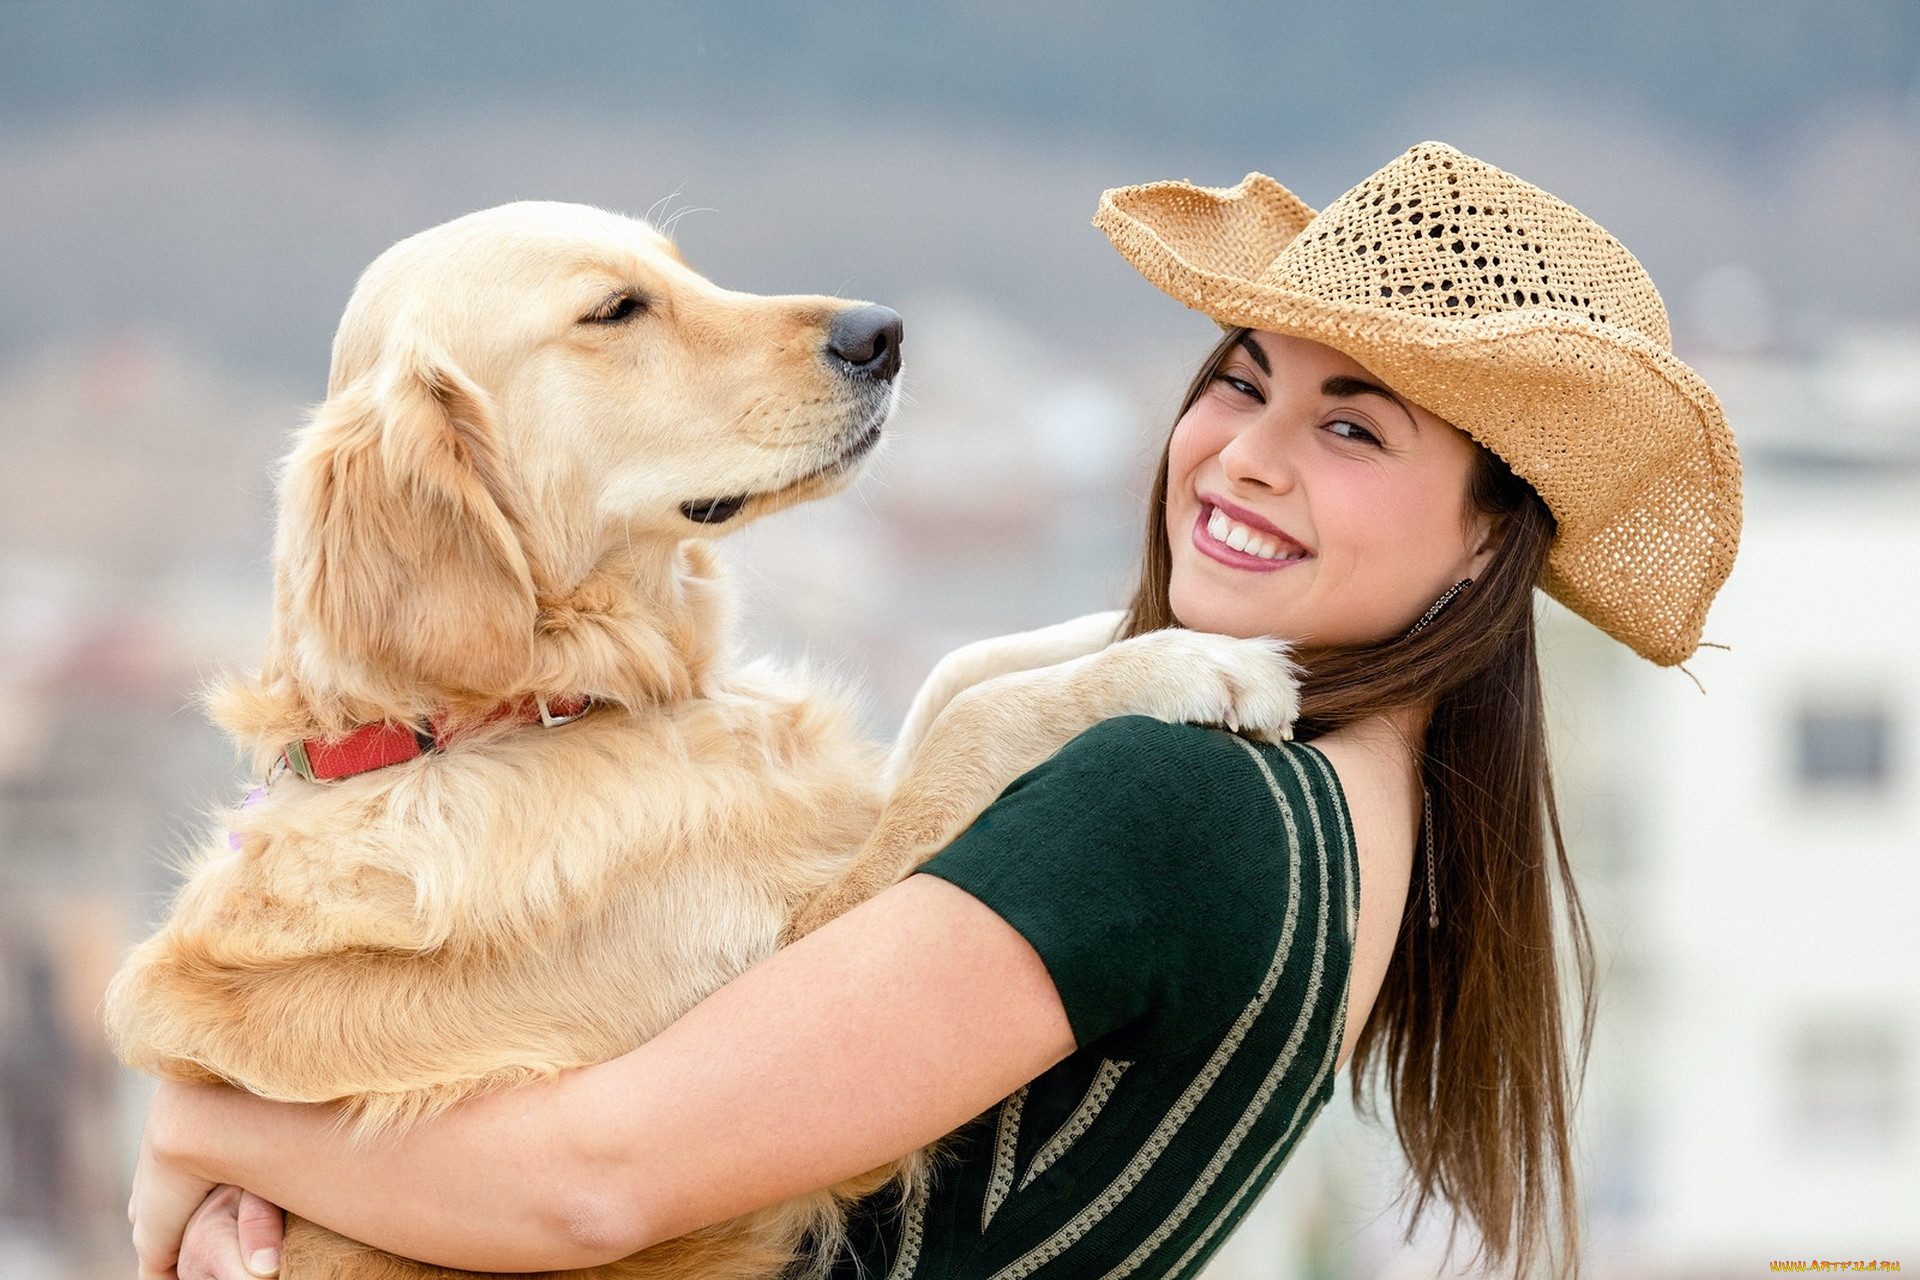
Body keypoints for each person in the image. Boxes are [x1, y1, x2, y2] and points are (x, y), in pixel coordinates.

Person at [129, 142, 1741, 1280]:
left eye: (1356, 431)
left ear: (1487, 540)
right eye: (1243, 381)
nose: (1247, 453)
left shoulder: (1182, 805)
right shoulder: (1333, 820)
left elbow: (587, 1184)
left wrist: (208, 1136)